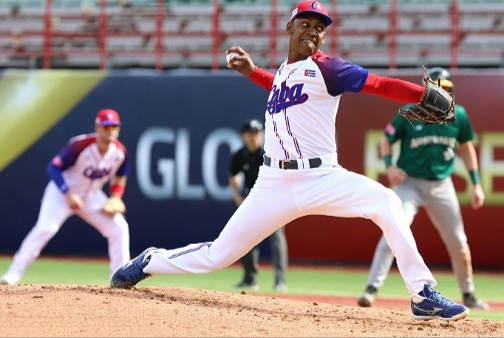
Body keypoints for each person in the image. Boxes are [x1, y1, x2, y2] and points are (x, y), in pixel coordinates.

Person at [110, 0, 469, 322]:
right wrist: (253, 72)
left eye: (319, 28)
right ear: (290, 28)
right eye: (306, 24)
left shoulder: (329, 69)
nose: (312, 31)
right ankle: (150, 261)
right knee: (218, 256)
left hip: (323, 177)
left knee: (386, 202)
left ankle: (422, 294)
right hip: (273, 184)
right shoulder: (284, 71)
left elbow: (379, 84)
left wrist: (421, 93)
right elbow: (281, 86)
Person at [357, 67, 488, 310]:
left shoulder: (458, 115)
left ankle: (468, 293)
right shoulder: (409, 113)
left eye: (446, 90)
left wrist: (476, 184)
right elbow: (386, 140)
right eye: (437, 89)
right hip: (410, 184)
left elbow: (467, 149)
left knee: (458, 241)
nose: (442, 95)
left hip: (441, 185)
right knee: (393, 230)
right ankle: (371, 288)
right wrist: (389, 166)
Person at [0, 108, 131, 286]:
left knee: (119, 228)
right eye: (107, 127)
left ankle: (120, 279)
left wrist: (116, 196)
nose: (111, 131)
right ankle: (13, 274)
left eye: (115, 127)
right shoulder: (80, 145)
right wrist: (67, 193)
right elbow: (53, 168)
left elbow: (120, 175)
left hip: (91, 197)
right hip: (61, 194)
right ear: (98, 127)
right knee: (46, 228)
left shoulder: (119, 152)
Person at [229, 118, 288, 292]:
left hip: (273, 200)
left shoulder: (270, 152)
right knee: (246, 237)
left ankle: (280, 281)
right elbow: (233, 175)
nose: (255, 137)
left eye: (257, 133)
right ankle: (249, 279)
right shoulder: (240, 155)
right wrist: (237, 197)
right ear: (243, 136)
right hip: (252, 200)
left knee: (276, 239)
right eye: (251, 134)